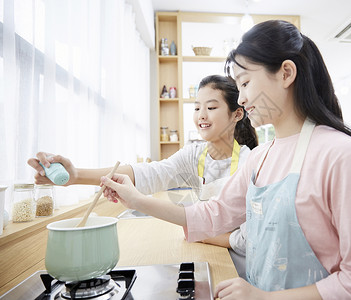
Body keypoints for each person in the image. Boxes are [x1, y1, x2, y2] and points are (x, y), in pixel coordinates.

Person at [97, 20, 351, 299]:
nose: (240, 98)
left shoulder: (342, 155)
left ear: (286, 73)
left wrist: (264, 298)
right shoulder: (262, 157)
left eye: (245, 83)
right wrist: (136, 200)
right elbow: (215, 213)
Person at [28, 75, 257, 277]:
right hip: (207, 255)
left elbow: (248, 239)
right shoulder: (194, 155)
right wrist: (75, 176)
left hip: (241, 267)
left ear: (237, 114)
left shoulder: (250, 162)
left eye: (212, 107)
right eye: (197, 108)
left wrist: (205, 235)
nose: (201, 115)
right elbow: (147, 174)